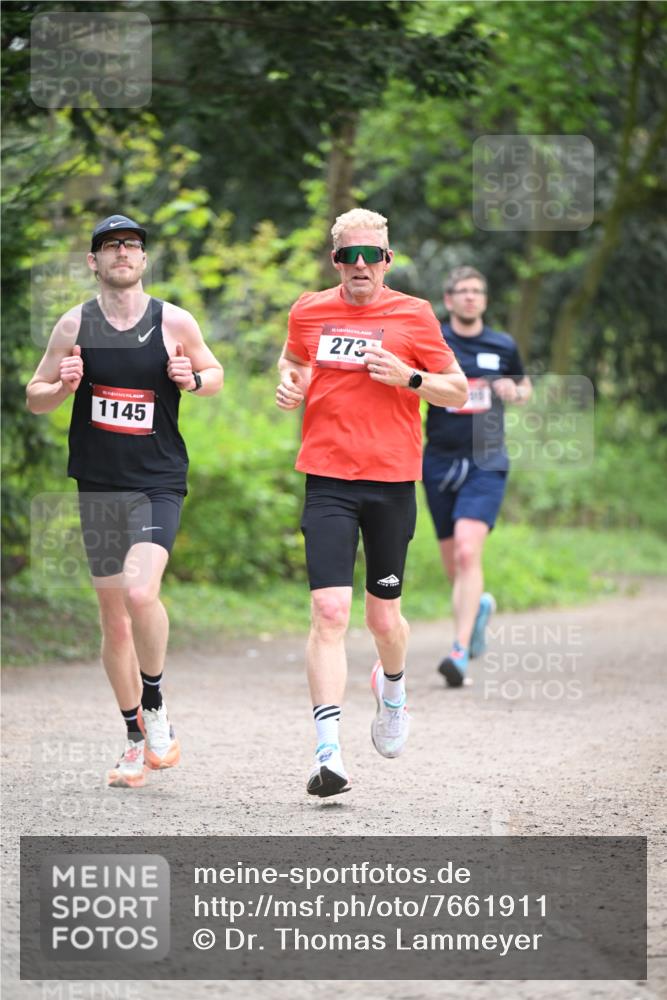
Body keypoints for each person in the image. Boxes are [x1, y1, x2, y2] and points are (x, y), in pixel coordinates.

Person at [276, 208, 467, 798]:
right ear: (336, 260)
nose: (360, 265)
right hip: (328, 477)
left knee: (384, 619)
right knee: (330, 612)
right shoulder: (309, 310)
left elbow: (457, 390)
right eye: (349, 256)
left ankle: (393, 689)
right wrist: (292, 381)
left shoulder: (414, 315)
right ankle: (327, 751)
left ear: (387, 260)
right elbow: (294, 359)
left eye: (371, 256)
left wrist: (410, 377)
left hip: (390, 481)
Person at [26, 214, 223, 788]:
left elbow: (215, 373)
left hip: (158, 480)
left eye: (132, 245)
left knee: (141, 592)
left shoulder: (173, 321)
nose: (122, 252)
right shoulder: (74, 324)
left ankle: (154, 703)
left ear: (143, 259)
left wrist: (191, 379)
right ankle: (135, 740)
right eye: (111, 245)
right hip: (99, 485)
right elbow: (35, 396)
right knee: (114, 624)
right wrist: (62, 386)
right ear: (93, 261)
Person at [422, 266, 532, 687]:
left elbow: (524, 386)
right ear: (449, 299)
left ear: (484, 300)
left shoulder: (502, 344)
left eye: (477, 291)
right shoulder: (433, 340)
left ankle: (459, 651)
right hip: (439, 461)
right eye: (463, 291)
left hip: (487, 460)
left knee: (469, 552)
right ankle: (480, 606)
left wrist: (514, 391)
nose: (471, 297)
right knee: (454, 564)